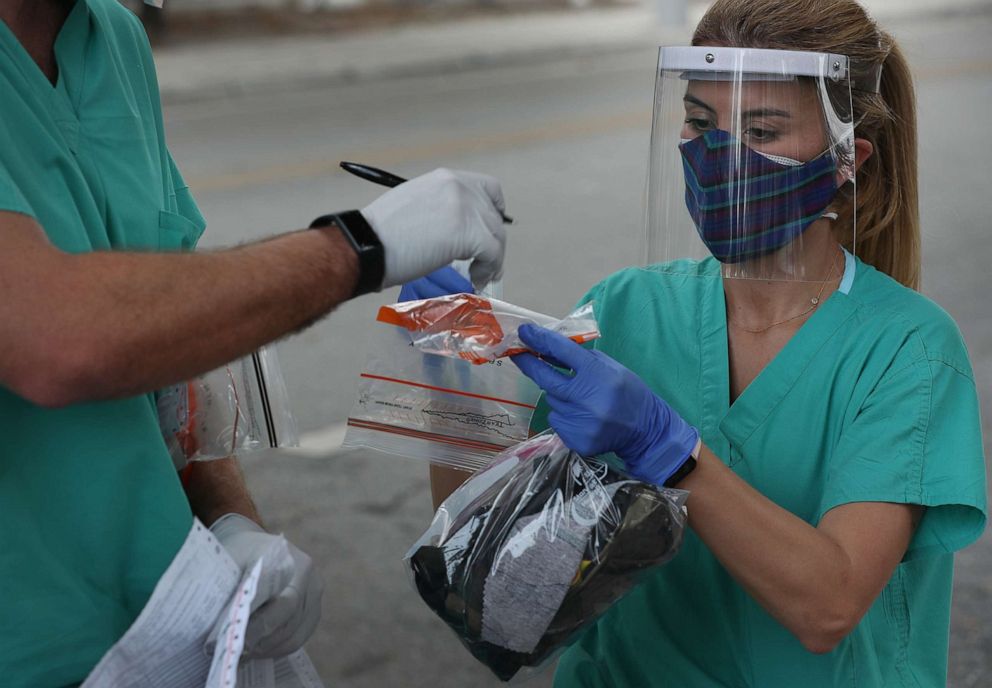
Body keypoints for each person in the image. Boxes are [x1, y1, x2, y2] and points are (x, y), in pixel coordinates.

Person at [426, 0, 987, 685]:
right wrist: (452, 364)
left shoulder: (907, 349)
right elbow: (490, 575)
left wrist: (672, 451)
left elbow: (828, 606)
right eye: (699, 121)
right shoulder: (627, 308)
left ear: (846, 159)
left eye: (762, 129)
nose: (718, 155)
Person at [0, 0, 508, 685]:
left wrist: (230, 523)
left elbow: (167, 340)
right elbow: (58, 337)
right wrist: (358, 246)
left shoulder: (111, 39)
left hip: (157, 630)